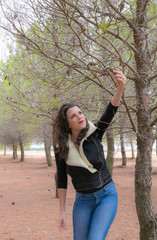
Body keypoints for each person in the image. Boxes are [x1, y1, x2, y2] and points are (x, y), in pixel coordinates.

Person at [54, 68, 126, 240]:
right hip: (82, 201)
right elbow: (62, 180)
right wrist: (62, 211)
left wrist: (120, 88)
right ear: (67, 123)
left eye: (80, 112)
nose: (80, 116)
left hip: (106, 195)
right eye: (73, 116)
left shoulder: (95, 133)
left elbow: (111, 111)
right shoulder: (61, 148)